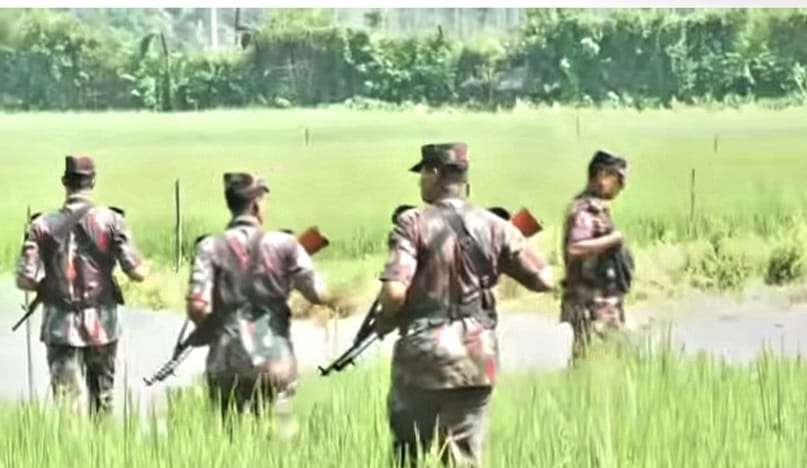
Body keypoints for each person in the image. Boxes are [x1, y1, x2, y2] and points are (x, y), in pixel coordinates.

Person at [373, 143, 554, 467]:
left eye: (422, 173)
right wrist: (508, 246)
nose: (420, 181)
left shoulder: (412, 223)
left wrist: (386, 317)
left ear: (434, 173)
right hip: (475, 359)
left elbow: (395, 292)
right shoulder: (496, 225)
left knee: (408, 455)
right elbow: (544, 279)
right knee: (464, 458)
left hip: (422, 361)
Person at [185, 172, 346, 437]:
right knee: (278, 437)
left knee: (230, 439)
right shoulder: (285, 245)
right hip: (275, 361)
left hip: (226, 362)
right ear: (256, 205)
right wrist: (343, 299)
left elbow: (196, 306)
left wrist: (216, 328)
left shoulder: (209, 247)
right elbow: (319, 294)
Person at [16, 155, 146, 417]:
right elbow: (138, 273)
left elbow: (25, 279)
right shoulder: (112, 221)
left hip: (59, 328)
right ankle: (103, 443)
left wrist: (50, 283)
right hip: (102, 326)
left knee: (67, 406)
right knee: (104, 401)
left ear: (65, 182)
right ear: (92, 182)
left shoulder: (41, 226)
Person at [559, 149, 630, 362]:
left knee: (588, 357)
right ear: (602, 175)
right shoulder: (585, 211)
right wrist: (613, 240)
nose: (621, 187)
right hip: (591, 302)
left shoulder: (595, 208)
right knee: (607, 357)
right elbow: (575, 248)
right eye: (618, 179)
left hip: (597, 300)